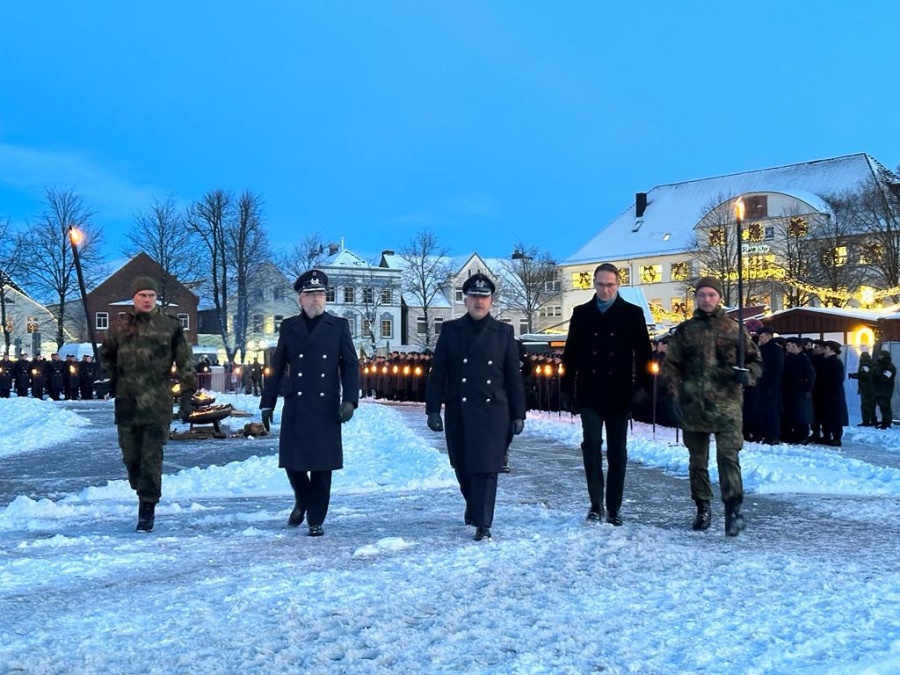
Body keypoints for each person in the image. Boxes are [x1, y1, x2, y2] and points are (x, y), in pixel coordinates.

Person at [426, 272, 526, 541]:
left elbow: (513, 377)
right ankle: (473, 503)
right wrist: (433, 409)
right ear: (465, 300)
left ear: (491, 301)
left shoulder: (504, 333)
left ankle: (484, 522)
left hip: (493, 411)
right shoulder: (450, 331)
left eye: (484, 297)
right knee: (462, 466)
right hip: (459, 408)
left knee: (487, 466)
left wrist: (518, 414)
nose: (479, 302)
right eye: (474, 297)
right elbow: (439, 373)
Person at [260, 269, 359, 538]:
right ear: (300, 299)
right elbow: (277, 366)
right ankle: (303, 499)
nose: (316, 299)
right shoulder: (289, 326)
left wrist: (350, 399)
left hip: (326, 405)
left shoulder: (338, 326)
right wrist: (267, 403)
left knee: (322, 466)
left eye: (320, 294)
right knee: (293, 464)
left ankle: (316, 518)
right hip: (296, 402)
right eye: (310, 294)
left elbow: (350, 364)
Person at [661, 277, 762, 537]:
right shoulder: (685, 331)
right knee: (697, 461)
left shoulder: (735, 329)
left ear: (719, 298)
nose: (707, 300)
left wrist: (747, 374)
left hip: (727, 406)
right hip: (694, 406)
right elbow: (671, 366)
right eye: (702, 295)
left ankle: (733, 508)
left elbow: (755, 360)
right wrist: (672, 395)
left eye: (712, 295)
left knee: (728, 458)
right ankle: (702, 506)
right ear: (697, 298)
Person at [100, 276, 196, 532]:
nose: (147, 299)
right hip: (127, 402)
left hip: (157, 403)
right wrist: (107, 377)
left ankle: (147, 507)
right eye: (142, 295)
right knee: (131, 458)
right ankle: (141, 488)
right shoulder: (119, 325)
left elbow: (185, 362)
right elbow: (106, 355)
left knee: (151, 457)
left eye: (151, 295)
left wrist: (187, 396)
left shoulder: (170, 326)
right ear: (134, 298)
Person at [560, 263, 652, 526]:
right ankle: (595, 503)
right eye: (601, 284)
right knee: (590, 446)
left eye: (610, 284)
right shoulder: (581, 313)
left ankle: (613, 507)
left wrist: (643, 388)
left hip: (619, 392)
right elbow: (571, 355)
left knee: (617, 452)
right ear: (594, 284)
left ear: (618, 284)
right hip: (589, 391)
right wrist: (567, 388)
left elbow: (645, 356)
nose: (605, 289)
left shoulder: (632, 314)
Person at [781, 338, 816, 444]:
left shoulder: (803, 358)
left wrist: (807, 389)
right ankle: (794, 434)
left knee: (802, 413)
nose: (787, 347)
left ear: (796, 346)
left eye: (790, 345)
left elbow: (811, 375)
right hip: (790, 389)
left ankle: (803, 435)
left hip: (800, 389)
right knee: (793, 413)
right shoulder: (790, 358)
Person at [755, 326, 784, 445]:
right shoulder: (763, 348)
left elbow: (777, 369)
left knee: (772, 412)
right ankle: (767, 434)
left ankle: (773, 435)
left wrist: (772, 386)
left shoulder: (775, 350)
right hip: (763, 384)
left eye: (762, 336)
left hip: (771, 386)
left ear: (768, 336)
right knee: (764, 411)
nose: (760, 339)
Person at [819, 341, 849, 446]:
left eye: (826, 348)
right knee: (827, 415)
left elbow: (838, 379)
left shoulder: (835, 362)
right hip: (826, 392)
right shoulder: (826, 361)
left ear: (832, 349)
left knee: (836, 416)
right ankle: (827, 435)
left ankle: (837, 437)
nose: (824, 350)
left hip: (834, 393)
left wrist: (835, 393)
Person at [849, 352, 877, 427]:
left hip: (866, 388)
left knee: (866, 405)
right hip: (869, 388)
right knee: (869, 405)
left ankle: (867, 421)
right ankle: (871, 420)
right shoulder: (870, 364)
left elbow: (863, 375)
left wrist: (852, 375)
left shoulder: (865, 365)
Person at [872, 349, 896, 429]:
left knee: (885, 407)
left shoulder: (889, 367)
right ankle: (884, 422)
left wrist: (876, 374)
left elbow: (885, 378)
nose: (879, 357)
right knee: (882, 407)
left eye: (881, 355)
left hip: (885, 390)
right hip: (879, 390)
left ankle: (887, 423)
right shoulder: (880, 365)